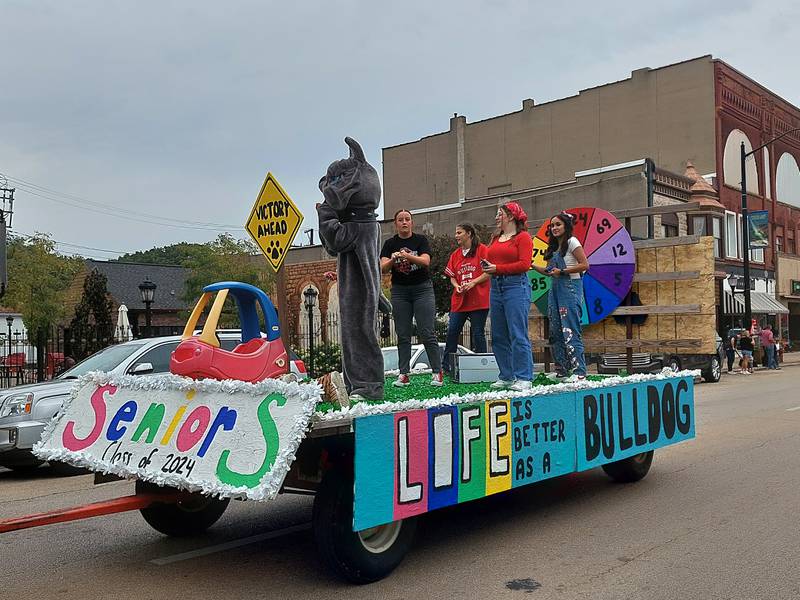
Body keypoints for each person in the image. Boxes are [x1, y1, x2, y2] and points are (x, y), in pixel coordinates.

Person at [380, 209, 443, 387]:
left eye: (407, 219)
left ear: (412, 222)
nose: (404, 222)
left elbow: (425, 261)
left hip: (422, 289)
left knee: (427, 331)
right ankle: (404, 374)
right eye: (400, 220)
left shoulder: (420, 240)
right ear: (396, 224)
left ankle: (437, 372)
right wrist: (393, 259)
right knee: (403, 333)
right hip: (400, 291)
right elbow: (383, 267)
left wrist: (407, 255)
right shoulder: (390, 243)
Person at [482, 201, 534, 391]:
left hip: (515, 286)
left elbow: (524, 264)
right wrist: (487, 266)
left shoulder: (523, 238)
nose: (497, 217)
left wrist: (498, 268)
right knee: (498, 335)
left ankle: (524, 377)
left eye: (500, 214)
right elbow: (493, 260)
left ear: (511, 216)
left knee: (517, 333)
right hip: (496, 286)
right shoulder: (496, 238)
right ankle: (506, 375)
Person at [532, 211, 590, 380]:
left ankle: (580, 372)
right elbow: (550, 271)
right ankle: (561, 370)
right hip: (555, 289)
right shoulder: (552, 248)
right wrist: (531, 265)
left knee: (570, 329)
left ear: (566, 226)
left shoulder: (572, 242)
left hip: (570, 288)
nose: (554, 228)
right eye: (552, 225)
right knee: (555, 331)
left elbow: (585, 265)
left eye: (558, 224)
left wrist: (563, 271)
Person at [442, 223, 490, 374]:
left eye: (459, 232)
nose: (456, 236)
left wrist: (474, 282)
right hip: (460, 300)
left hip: (479, 299)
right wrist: (456, 285)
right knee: (452, 331)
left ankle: (483, 365)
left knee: (478, 332)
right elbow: (452, 277)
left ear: (469, 234)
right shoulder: (455, 254)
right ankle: (447, 366)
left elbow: (489, 272)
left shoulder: (482, 250)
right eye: (456, 233)